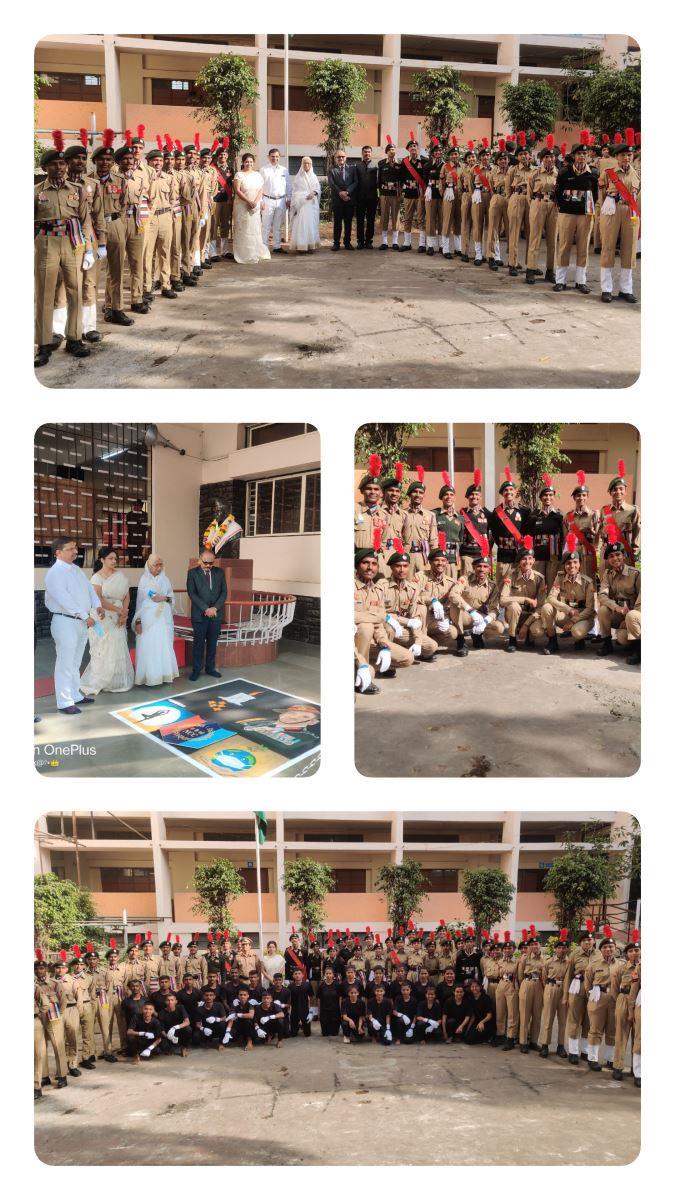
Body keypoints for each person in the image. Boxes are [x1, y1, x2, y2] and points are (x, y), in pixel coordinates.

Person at [34, 132, 91, 368]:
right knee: (45, 294)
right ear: (45, 167)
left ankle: (74, 338)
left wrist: (88, 249)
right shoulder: (36, 191)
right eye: (53, 164)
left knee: (75, 290)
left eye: (61, 163)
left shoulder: (77, 190)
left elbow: (85, 219)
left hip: (72, 242)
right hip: (47, 242)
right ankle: (44, 343)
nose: (59, 167)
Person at [44, 537, 104, 714]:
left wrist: (97, 604)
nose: (75, 551)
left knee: (76, 661)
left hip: (80, 622)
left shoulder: (76, 569)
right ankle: (64, 701)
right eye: (70, 549)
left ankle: (75, 695)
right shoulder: (54, 573)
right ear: (58, 552)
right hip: (65, 622)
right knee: (65, 662)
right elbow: (65, 600)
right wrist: (85, 616)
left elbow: (89, 589)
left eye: (75, 548)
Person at [80, 548, 134, 696]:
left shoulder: (120, 576)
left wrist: (124, 613)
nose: (114, 561)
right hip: (102, 616)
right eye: (110, 558)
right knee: (103, 648)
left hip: (119, 614)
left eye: (115, 558)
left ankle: (115, 681)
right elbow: (98, 600)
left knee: (117, 646)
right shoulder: (96, 578)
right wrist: (119, 610)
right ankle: (100, 680)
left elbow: (126, 596)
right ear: (102, 560)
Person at [598, 141, 640, 303]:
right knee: (608, 247)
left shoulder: (635, 173)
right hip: (611, 211)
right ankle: (606, 289)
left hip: (630, 212)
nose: (626, 158)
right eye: (623, 155)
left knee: (629, 250)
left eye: (629, 155)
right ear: (616, 157)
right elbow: (600, 196)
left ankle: (626, 289)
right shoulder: (608, 173)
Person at [553, 140, 598, 293]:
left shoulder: (593, 173)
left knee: (583, 246)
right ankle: (560, 280)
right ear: (574, 156)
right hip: (567, 213)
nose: (582, 156)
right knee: (564, 245)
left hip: (585, 215)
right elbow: (557, 193)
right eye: (579, 153)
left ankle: (581, 281)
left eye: (585, 153)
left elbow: (595, 195)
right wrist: (562, 207)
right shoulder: (564, 172)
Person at [539, 537, 596, 654]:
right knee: (547, 607)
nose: (572, 566)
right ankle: (552, 640)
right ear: (564, 565)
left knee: (577, 632)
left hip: (583, 616)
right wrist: (568, 609)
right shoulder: (559, 577)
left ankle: (579, 639)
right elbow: (550, 598)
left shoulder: (587, 582)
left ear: (580, 564)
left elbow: (590, 609)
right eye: (568, 563)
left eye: (575, 562)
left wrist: (573, 621)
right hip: (566, 613)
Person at [133, 554, 179, 686]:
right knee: (149, 645)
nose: (158, 568)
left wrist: (163, 598)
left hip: (163, 618)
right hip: (148, 619)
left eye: (160, 565)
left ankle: (164, 674)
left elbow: (172, 599)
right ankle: (150, 676)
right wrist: (138, 621)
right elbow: (139, 603)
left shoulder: (166, 580)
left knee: (163, 644)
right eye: (155, 565)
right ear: (148, 565)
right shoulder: (143, 580)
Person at [596, 537, 641, 663]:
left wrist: (628, 618)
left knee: (623, 637)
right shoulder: (607, 575)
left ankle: (638, 650)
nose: (615, 558)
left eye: (618, 554)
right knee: (603, 610)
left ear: (624, 555)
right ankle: (607, 644)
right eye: (611, 556)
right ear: (608, 560)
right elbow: (602, 596)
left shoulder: (636, 574)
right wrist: (617, 608)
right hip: (620, 613)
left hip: (634, 614)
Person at [448, 557, 504, 656]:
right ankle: (461, 640)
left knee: (499, 627)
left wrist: (485, 622)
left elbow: (494, 608)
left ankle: (477, 634)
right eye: (479, 566)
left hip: (479, 618)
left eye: (485, 567)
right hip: (463, 616)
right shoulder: (465, 579)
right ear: (474, 567)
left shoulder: (493, 586)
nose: (482, 569)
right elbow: (453, 594)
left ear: (489, 569)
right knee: (455, 604)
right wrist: (470, 610)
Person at [186, 548, 227, 681]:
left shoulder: (219, 572)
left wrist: (215, 608)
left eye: (211, 563)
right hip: (199, 615)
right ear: (199, 560)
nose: (209, 565)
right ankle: (196, 670)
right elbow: (192, 593)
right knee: (198, 643)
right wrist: (206, 609)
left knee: (212, 643)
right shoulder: (192, 573)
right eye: (205, 563)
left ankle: (210, 668)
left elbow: (223, 592)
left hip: (215, 614)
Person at [500, 538, 548, 652]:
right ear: (519, 561)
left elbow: (541, 606)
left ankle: (529, 635)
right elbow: (502, 600)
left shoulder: (539, 578)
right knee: (514, 606)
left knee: (537, 630)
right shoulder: (511, 575)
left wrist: (526, 625)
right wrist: (525, 599)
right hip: (514, 614)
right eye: (524, 559)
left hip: (531, 615)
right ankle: (512, 638)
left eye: (530, 559)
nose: (527, 562)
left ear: (534, 560)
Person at [489, 469, 530, 584]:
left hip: (519, 553)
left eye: (511, 489)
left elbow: (528, 531)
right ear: (502, 494)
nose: (508, 492)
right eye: (505, 490)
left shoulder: (525, 511)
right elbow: (493, 533)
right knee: (502, 583)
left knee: (519, 583)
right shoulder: (496, 513)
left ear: (515, 492)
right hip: (503, 554)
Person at [525, 138, 558, 284]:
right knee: (535, 237)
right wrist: (533, 205)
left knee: (552, 240)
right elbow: (529, 192)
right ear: (542, 159)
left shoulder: (559, 174)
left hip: (553, 205)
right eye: (546, 157)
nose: (549, 159)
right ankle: (531, 269)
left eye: (552, 157)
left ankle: (550, 270)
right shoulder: (535, 173)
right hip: (538, 203)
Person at [611, 931, 640, 1081]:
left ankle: (637, 1070)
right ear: (626, 954)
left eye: (636, 950)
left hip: (640, 1004)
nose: (634, 953)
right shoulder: (620, 969)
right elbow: (615, 988)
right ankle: (618, 1066)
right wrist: (621, 1001)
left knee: (639, 1038)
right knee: (621, 1035)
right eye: (630, 951)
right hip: (624, 999)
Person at [232, 154, 270, 264]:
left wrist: (255, 202)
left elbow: (260, 190)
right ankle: (244, 254)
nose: (249, 164)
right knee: (244, 229)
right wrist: (248, 201)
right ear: (243, 162)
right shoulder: (239, 175)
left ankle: (255, 252)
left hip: (255, 206)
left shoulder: (257, 175)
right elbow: (237, 190)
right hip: (242, 206)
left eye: (251, 162)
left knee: (254, 229)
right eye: (247, 162)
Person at [529, 477, 565, 589]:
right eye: (545, 495)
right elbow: (529, 536)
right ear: (541, 498)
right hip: (538, 555)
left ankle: (552, 606)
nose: (548, 497)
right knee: (537, 584)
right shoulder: (534, 515)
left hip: (554, 556)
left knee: (552, 584)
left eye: (550, 495)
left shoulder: (559, 515)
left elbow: (563, 537)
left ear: (553, 497)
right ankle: (537, 606)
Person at [539, 932, 570, 1059]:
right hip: (551, 988)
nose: (561, 950)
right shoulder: (548, 962)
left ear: (567, 949)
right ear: (555, 949)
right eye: (559, 948)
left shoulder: (570, 963)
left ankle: (561, 1046)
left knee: (563, 1020)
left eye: (564, 948)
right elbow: (544, 977)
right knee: (548, 1018)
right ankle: (545, 1045)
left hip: (564, 990)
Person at [402, 468, 439, 574]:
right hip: (407, 555)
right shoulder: (402, 514)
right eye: (415, 492)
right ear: (409, 494)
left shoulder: (430, 515)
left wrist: (434, 559)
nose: (418, 495)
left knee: (423, 586)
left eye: (421, 492)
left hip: (424, 556)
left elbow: (434, 540)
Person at [564, 472, 600, 581]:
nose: (581, 498)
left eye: (584, 495)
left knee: (589, 579)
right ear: (574, 498)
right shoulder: (569, 516)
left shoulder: (594, 514)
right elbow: (566, 536)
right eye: (578, 495)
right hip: (574, 552)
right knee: (574, 579)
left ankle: (591, 598)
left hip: (588, 551)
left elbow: (598, 536)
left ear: (587, 497)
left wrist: (596, 551)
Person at [260, 148, 291, 253]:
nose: (275, 158)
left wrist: (289, 198)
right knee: (266, 225)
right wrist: (261, 201)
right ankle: (264, 247)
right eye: (272, 156)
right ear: (269, 157)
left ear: (279, 157)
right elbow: (259, 186)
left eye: (277, 156)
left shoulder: (284, 170)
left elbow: (288, 185)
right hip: (267, 200)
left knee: (278, 225)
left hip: (281, 201)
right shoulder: (264, 169)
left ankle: (277, 246)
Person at [289, 157, 321, 253]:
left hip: (311, 204)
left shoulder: (314, 176)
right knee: (301, 224)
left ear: (311, 165)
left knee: (311, 224)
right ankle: (301, 246)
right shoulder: (298, 177)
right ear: (302, 164)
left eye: (308, 163)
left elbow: (318, 188)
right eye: (305, 163)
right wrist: (301, 197)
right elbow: (294, 191)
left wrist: (314, 193)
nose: (306, 165)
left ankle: (310, 245)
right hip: (301, 204)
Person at [328, 151, 357, 250]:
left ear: (346, 157)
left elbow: (355, 182)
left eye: (343, 156)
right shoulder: (332, 170)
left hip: (349, 200)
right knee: (337, 223)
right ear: (335, 158)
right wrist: (340, 193)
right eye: (338, 157)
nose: (341, 158)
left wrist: (347, 192)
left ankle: (347, 242)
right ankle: (336, 243)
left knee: (348, 223)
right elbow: (332, 184)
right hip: (337, 200)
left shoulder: (352, 169)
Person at [377, 138, 401, 250]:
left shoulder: (400, 163)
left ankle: (395, 241)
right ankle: (384, 241)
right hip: (385, 194)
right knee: (385, 217)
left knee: (396, 217)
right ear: (386, 152)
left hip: (395, 194)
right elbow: (379, 180)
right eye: (390, 149)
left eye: (394, 149)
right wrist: (380, 194)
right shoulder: (381, 163)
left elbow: (402, 179)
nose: (392, 151)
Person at [354, 145, 379, 249]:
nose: (367, 153)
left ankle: (369, 241)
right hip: (360, 197)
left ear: (371, 153)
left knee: (370, 220)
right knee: (360, 220)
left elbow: (379, 181)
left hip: (372, 198)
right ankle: (360, 241)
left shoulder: (376, 166)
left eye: (369, 152)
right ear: (362, 153)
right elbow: (355, 182)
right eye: (365, 152)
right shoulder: (357, 166)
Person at [464, 979, 496, 1044]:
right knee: (468, 1039)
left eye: (476, 986)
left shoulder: (486, 998)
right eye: (472, 987)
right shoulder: (470, 998)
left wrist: (482, 1022)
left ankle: (488, 1037)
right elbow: (473, 1016)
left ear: (480, 987)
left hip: (487, 1022)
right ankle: (483, 1039)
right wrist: (468, 1029)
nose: (474, 988)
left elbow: (489, 1015)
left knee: (474, 1036)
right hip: (477, 1021)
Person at [289, 968, 315, 1036]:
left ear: (302, 975)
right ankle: (297, 1026)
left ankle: (303, 1026)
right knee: (293, 1034)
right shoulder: (290, 986)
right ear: (293, 976)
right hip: (294, 1011)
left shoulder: (307, 985)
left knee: (307, 1034)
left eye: (299, 973)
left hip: (305, 1011)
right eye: (295, 974)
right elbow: (288, 999)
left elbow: (311, 997)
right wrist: (288, 1011)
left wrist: (311, 1010)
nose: (297, 975)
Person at [317, 967, 342, 1036]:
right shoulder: (321, 985)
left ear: (333, 975)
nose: (328, 975)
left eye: (330, 973)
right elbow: (319, 999)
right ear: (324, 975)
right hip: (324, 1011)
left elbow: (340, 998)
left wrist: (340, 1010)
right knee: (325, 1034)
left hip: (335, 1011)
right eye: (327, 973)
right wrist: (319, 1012)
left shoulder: (337, 985)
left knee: (334, 1034)